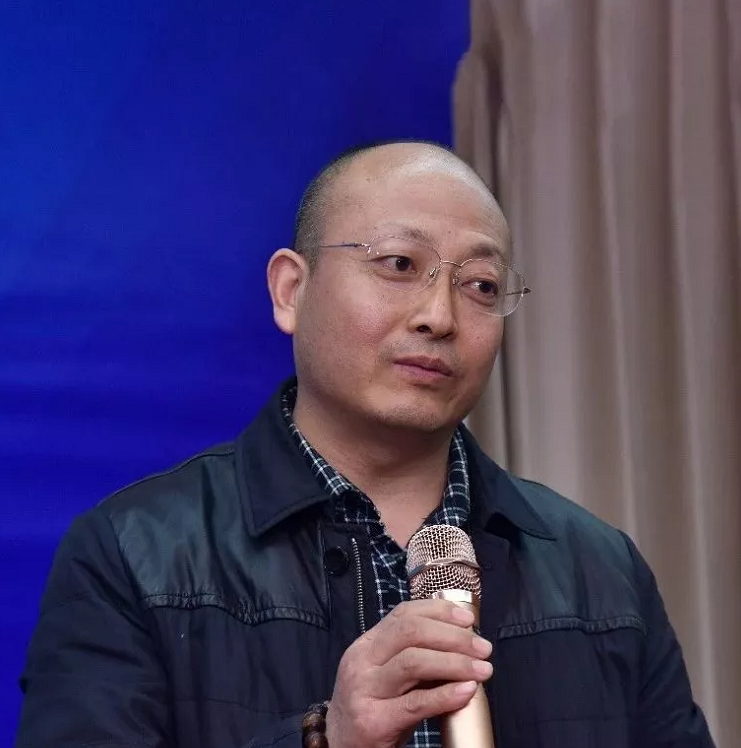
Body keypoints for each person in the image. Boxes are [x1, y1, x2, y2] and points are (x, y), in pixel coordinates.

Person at [15, 141, 715, 748]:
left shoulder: (600, 571)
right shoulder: (133, 554)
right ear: (291, 290)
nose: (438, 316)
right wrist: (329, 737)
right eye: (399, 264)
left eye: (480, 285)